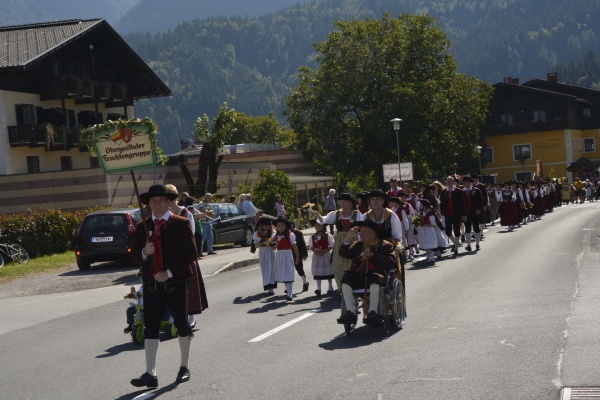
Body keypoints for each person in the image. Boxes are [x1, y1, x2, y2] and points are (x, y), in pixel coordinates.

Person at [129, 184, 197, 388]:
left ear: (168, 202)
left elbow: (191, 254)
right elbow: (132, 255)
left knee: (182, 324)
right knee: (150, 327)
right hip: (151, 286)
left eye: (160, 200)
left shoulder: (180, 223)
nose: (156, 205)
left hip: (175, 283)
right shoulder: (143, 226)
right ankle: (151, 374)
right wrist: (143, 252)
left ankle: (184, 367)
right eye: (152, 201)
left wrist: (168, 272)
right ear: (148, 204)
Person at [336, 220, 398, 324]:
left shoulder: (385, 245)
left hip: (376, 276)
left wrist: (374, 255)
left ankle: (372, 312)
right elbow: (343, 253)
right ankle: (350, 312)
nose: (360, 234)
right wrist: (348, 237)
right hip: (359, 276)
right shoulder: (359, 245)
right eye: (360, 232)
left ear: (372, 233)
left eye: (363, 232)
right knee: (346, 278)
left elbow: (391, 261)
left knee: (374, 278)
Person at [311, 193, 364, 292]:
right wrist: (317, 214)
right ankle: (341, 287)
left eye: (344, 202)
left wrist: (361, 241)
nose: (342, 204)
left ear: (350, 203)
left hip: (353, 239)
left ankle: (353, 286)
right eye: (340, 202)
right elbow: (324, 220)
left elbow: (362, 228)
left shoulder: (357, 214)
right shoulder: (336, 214)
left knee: (352, 263)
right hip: (340, 240)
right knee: (337, 264)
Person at [273, 216, 300, 301]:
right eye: (278, 225)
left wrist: (297, 257)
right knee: (283, 274)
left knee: (288, 273)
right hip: (279, 255)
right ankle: (288, 291)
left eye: (282, 225)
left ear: (285, 226)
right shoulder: (275, 235)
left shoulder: (290, 235)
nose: (280, 227)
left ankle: (290, 293)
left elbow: (294, 246)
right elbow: (273, 248)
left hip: (287, 254)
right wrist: (274, 243)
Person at [439, 176, 467, 257]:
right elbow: (442, 204)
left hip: (456, 214)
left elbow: (462, 203)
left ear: (454, 182)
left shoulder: (458, 191)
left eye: (450, 181)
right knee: (447, 231)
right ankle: (456, 243)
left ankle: (456, 249)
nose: (449, 182)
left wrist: (464, 214)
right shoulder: (443, 192)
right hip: (447, 214)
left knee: (457, 230)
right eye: (447, 181)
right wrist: (441, 213)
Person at [307, 219, 335, 297]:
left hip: (325, 255)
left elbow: (331, 245)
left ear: (323, 226)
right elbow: (311, 246)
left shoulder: (328, 235)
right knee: (318, 271)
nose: (317, 226)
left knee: (328, 270)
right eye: (316, 225)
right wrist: (315, 252)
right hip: (317, 256)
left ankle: (330, 286)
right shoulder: (312, 236)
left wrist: (324, 251)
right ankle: (318, 289)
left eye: (319, 225)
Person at [253, 216, 276, 295]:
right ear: (261, 225)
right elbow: (256, 245)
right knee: (265, 269)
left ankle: (271, 288)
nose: (266, 227)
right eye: (265, 226)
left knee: (271, 268)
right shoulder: (257, 233)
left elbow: (273, 245)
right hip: (263, 252)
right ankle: (267, 284)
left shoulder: (273, 233)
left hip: (270, 252)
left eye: (268, 226)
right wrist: (265, 241)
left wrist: (266, 242)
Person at [461, 176, 483, 252]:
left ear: (469, 182)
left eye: (464, 182)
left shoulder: (476, 190)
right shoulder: (462, 191)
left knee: (476, 228)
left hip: (475, 212)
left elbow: (480, 201)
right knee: (467, 229)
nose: (463, 183)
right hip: (466, 213)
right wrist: (462, 213)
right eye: (463, 182)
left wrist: (479, 209)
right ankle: (468, 245)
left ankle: (477, 244)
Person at [290, 221, 310, 292]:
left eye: (292, 227)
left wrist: (305, 254)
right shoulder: (284, 234)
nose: (291, 228)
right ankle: (289, 287)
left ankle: (305, 282)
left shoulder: (298, 233)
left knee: (299, 269)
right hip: (288, 254)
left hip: (297, 253)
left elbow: (302, 243)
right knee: (289, 271)